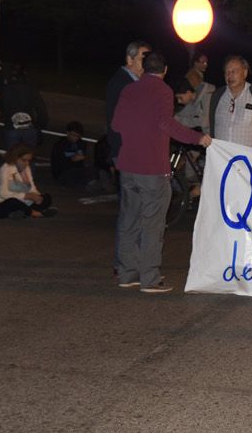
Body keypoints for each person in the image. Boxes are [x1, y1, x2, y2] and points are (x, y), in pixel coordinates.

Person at [112, 51, 214, 293]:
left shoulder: (129, 90)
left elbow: (116, 124)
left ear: (143, 68)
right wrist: (197, 138)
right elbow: (166, 124)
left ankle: (127, 273)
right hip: (152, 169)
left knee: (128, 220)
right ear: (165, 70)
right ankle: (150, 278)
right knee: (153, 224)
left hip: (128, 165)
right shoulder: (163, 91)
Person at [208, 55, 252, 151]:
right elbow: (212, 125)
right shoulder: (217, 95)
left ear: (245, 73)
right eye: (227, 72)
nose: (230, 75)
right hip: (222, 155)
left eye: (234, 71)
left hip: (248, 157)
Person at [105, 41, 151, 174]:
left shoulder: (135, 82)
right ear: (130, 59)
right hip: (125, 149)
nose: (147, 64)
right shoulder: (123, 84)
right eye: (143, 59)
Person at [0, 144, 56, 219]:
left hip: (23, 201)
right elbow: (3, 193)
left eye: (28, 161)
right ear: (15, 158)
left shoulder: (26, 169)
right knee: (12, 202)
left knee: (46, 197)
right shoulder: (5, 169)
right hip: (0, 203)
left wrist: (37, 196)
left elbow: (32, 187)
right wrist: (26, 196)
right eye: (24, 160)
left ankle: (24, 212)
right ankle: (36, 213)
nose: (26, 163)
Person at [0, 65, 49, 152]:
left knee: (13, 156)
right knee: (28, 156)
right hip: (29, 127)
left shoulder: (5, 89)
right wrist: (40, 125)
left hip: (11, 127)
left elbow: (1, 106)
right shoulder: (31, 88)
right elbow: (40, 108)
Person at [50, 122, 95, 188]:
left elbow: (83, 158)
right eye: (73, 135)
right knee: (72, 178)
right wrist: (71, 159)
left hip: (77, 170)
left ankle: (89, 182)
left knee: (93, 171)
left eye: (78, 136)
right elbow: (57, 163)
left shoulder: (81, 144)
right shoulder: (60, 145)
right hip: (63, 172)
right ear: (68, 133)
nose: (75, 138)